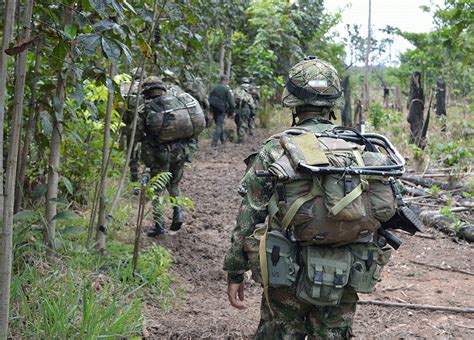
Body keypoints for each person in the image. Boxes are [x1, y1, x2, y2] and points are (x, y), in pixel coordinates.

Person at [224, 58, 401, 338]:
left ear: (293, 103)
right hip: (344, 270)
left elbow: (249, 215)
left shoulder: (276, 148)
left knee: (280, 331)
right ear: (333, 102)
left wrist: (235, 271)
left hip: (285, 271)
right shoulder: (357, 147)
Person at [138, 76, 202, 237]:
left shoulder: (146, 108)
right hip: (181, 151)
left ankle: (159, 226)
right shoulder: (177, 102)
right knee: (174, 185)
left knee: (158, 189)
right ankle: (178, 214)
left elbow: (139, 133)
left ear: (146, 91)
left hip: (160, 154)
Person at [209, 75, 235, 148]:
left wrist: (210, 110)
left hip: (213, 108)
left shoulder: (214, 87)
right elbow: (231, 102)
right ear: (225, 80)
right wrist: (232, 111)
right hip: (221, 108)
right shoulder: (226, 89)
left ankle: (223, 140)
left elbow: (209, 98)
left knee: (219, 124)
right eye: (228, 81)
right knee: (219, 125)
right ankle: (214, 144)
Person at [233, 77, 256, 143]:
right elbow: (251, 103)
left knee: (239, 123)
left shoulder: (236, 90)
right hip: (245, 109)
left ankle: (240, 137)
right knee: (242, 124)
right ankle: (241, 139)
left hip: (238, 109)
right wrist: (253, 110)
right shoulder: (248, 91)